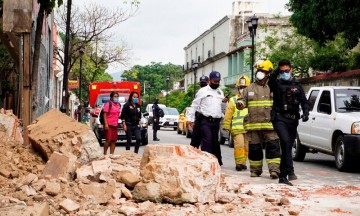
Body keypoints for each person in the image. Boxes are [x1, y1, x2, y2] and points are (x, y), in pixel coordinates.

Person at [237, 59, 281, 179]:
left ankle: (274, 170)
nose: (259, 73)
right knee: (254, 149)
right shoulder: (249, 89)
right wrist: (240, 103)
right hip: (253, 125)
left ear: (268, 73)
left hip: (270, 125)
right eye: (258, 70)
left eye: (262, 71)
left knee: (273, 148)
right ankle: (255, 170)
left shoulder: (274, 88)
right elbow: (241, 99)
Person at [268, 59, 310, 186]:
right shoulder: (277, 84)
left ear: (291, 70)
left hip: (293, 120)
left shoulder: (297, 85)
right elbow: (270, 82)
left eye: (286, 70)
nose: (284, 73)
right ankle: (284, 175)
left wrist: (306, 113)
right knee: (285, 142)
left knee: (288, 146)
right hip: (280, 118)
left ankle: (286, 173)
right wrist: (276, 71)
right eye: (282, 71)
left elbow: (304, 101)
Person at [188, 71, 227, 165]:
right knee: (207, 139)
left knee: (214, 142)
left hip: (216, 122)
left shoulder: (220, 92)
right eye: (214, 81)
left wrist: (224, 102)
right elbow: (194, 105)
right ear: (209, 80)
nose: (216, 83)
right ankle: (205, 162)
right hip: (205, 120)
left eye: (218, 81)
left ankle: (216, 162)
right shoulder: (203, 91)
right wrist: (190, 118)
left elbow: (222, 108)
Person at [222, 75, 250, 171]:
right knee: (240, 145)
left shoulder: (251, 100)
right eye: (241, 87)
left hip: (248, 128)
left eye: (244, 87)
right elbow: (228, 113)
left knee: (246, 147)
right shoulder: (233, 100)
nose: (242, 89)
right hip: (237, 128)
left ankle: (243, 163)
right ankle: (238, 163)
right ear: (238, 88)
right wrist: (226, 125)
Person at [190, 75, 209, 148]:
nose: (203, 84)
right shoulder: (199, 92)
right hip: (199, 117)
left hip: (207, 118)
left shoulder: (212, 92)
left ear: (208, 82)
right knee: (195, 140)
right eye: (202, 82)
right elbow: (194, 105)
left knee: (206, 140)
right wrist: (191, 119)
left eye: (204, 82)